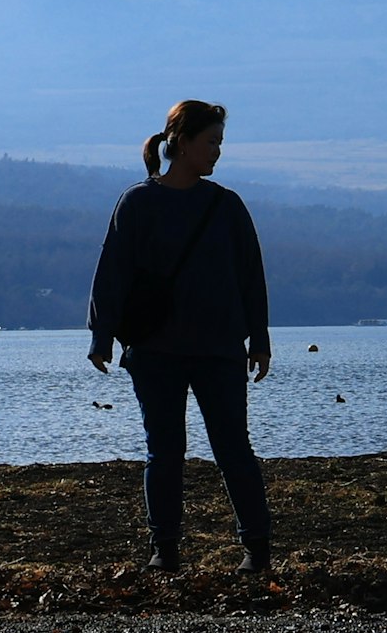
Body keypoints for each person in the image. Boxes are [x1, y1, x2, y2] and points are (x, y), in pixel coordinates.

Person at [88, 99, 274, 573]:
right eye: (210, 142)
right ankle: (163, 550)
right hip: (155, 352)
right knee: (165, 452)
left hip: (219, 350)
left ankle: (256, 550)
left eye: (220, 143)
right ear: (183, 143)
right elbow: (113, 271)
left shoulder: (226, 206)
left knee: (233, 449)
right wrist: (101, 335)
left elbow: (251, 276)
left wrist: (260, 338)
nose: (216, 152)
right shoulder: (138, 202)